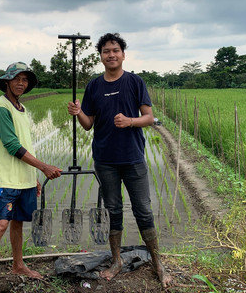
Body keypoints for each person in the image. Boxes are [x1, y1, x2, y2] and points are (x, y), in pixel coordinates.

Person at [67, 33, 172, 288]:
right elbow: (88, 125)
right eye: (106, 51)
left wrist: (130, 121)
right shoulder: (94, 85)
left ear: (123, 54)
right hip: (105, 160)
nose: (111, 55)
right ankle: (116, 261)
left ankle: (158, 264)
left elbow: (149, 118)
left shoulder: (135, 82)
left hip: (133, 158)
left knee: (143, 210)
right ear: (101, 56)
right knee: (113, 210)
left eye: (115, 50)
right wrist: (78, 112)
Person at [0, 62, 62, 293]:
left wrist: (33, 175)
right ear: (7, 82)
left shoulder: (21, 108)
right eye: (16, 79)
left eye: (25, 80)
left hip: (24, 177)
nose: (20, 83)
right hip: (6, 178)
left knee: (17, 223)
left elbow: (26, 144)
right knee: (0, 224)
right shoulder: (0, 106)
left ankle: (18, 265)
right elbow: (12, 145)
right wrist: (44, 167)